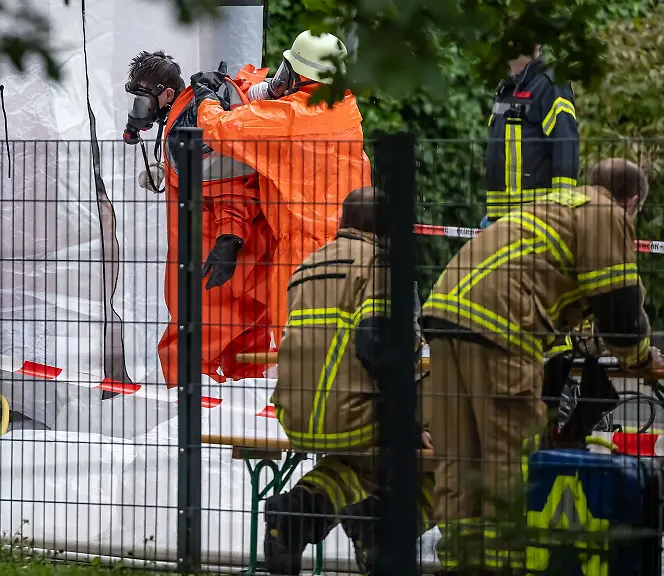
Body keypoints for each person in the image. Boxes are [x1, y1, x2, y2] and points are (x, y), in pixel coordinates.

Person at [420, 158, 663, 573]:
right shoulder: (607, 213)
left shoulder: (553, 204)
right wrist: (641, 357)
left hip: (444, 316)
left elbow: (551, 278)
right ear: (633, 202)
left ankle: (462, 564)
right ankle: (506, 565)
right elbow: (619, 308)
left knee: (459, 459)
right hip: (500, 325)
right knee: (509, 456)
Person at [265, 186, 433, 575]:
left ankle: (293, 516)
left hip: (296, 415)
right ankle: (382, 526)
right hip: (352, 415)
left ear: (343, 223)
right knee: (448, 450)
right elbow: (376, 345)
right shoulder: (380, 265)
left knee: (356, 468)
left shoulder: (306, 266)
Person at [191, 30, 373, 349]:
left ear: (299, 74)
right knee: (342, 351)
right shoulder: (346, 110)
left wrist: (206, 100)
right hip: (355, 248)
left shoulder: (289, 117)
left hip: (304, 255)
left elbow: (216, 130)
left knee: (297, 357)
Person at [125, 51, 274, 386]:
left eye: (143, 98)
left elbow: (231, 186)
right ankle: (241, 420)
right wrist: (167, 168)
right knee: (244, 341)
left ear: (165, 93)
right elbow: (211, 171)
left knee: (193, 339)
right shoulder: (189, 109)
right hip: (230, 249)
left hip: (211, 253)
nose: (140, 108)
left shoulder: (191, 118)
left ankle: (185, 422)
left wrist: (228, 242)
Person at [482, 44, 579, 228]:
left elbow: (566, 148)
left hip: (538, 218)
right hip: (500, 219)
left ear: (537, 44)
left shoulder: (551, 85)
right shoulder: (506, 89)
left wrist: (561, 212)